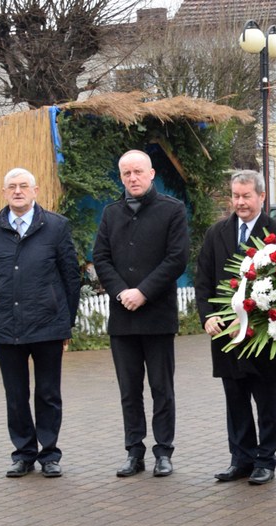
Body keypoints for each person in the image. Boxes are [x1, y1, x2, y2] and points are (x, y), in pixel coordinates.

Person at [92, 150, 190, 478]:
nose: (132, 178)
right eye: (126, 173)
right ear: (121, 177)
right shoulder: (110, 214)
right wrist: (122, 292)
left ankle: (164, 451)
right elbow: (101, 258)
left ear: (151, 174)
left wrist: (143, 292)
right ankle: (134, 452)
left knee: (162, 388)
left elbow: (177, 258)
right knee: (129, 390)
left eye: (138, 172)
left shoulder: (172, 210)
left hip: (158, 315)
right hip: (123, 318)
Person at [0, 167, 81, 478]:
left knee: (48, 392)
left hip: (47, 324)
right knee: (15, 393)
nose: (18, 191)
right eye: (12, 186)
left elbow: (70, 277)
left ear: (35, 191)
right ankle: (23, 453)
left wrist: (66, 323)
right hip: (6, 326)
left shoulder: (56, 227)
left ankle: (49, 454)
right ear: (4, 192)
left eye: (24, 186)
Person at [195, 170, 276, 486]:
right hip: (225, 333)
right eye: (236, 196)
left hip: (261, 334)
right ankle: (241, 459)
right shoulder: (217, 232)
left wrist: (249, 320)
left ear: (261, 196)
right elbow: (203, 280)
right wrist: (207, 317)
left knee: (266, 400)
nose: (241, 202)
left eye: (247, 196)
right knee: (235, 399)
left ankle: (265, 460)